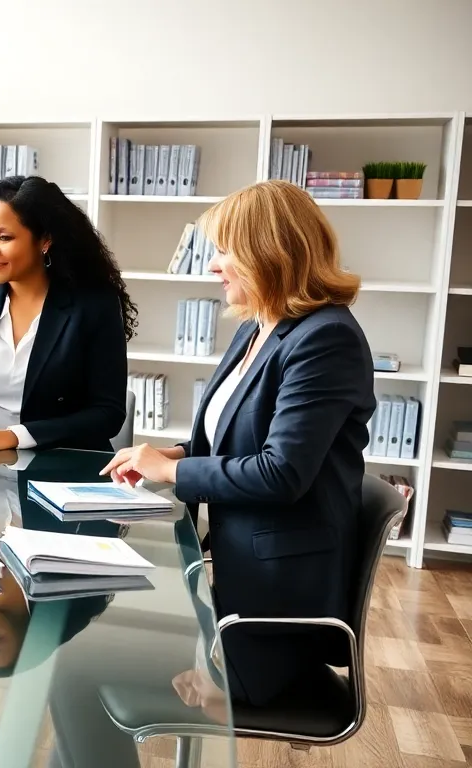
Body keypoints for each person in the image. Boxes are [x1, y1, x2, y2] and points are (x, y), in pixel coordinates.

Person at [100, 179, 375, 707]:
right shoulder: (259, 327)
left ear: (269, 253)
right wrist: (175, 454)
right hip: (232, 579)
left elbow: (280, 473)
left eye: (225, 250)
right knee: (93, 640)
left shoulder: (326, 338)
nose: (213, 265)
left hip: (274, 611)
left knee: (87, 667)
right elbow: (233, 436)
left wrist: (171, 472)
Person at [0, 176, 134, 453]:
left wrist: (12, 437)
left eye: (4, 237)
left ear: (45, 240)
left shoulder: (94, 304)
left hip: (63, 463)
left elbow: (108, 413)